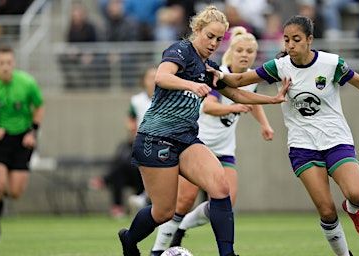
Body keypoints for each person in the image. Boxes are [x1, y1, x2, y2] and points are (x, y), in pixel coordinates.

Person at [214, 15, 359, 256]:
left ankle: (353, 210)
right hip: (302, 146)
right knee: (327, 211)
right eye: (287, 40)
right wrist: (211, 75)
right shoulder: (279, 67)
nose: (290, 45)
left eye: (296, 39)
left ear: (310, 40)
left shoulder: (331, 63)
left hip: (336, 140)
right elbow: (237, 80)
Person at [117, 6, 289, 256]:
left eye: (219, 39)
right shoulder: (180, 50)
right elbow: (162, 77)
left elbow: (236, 92)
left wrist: (273, 100)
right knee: (164, 211)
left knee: (220, 190)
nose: (214, 43)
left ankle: (227, 254)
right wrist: (191, 84)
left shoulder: (209, 66)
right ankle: (130, 240)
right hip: (156, 138)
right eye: (210, 36)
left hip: (186, 139)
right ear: (197, 29)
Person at [149, 26, 274, 255]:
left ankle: (183, 227)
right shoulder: (219, 74)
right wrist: (235, 107)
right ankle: (157, 250)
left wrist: (264, 125)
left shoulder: (249, 78)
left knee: (226, 201)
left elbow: (251, 101)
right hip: (199, 145)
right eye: (240, 50)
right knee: (183, 202)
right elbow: (209, 106)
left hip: (225, 149)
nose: (245, 55)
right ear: (231, 52)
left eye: (249, 51)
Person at [0, 46, 44, 242]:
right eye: (1, 63)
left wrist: (33, 132)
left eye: (8, 63)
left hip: (22, 139)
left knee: (15, 192)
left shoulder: (26, 83)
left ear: (14, 63)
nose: (5, 67)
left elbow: (39, 107)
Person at [89, 67, 157, 218]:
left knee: (122, 162)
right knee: (122, 159)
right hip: (141, 142)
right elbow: (131, 119)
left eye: (156, 77)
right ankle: (125, 202)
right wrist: (131, 128)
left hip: (160, 144)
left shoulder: (166, 98)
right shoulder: (137, 100)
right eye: (150, 77)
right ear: (143, 81)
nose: (153, 80)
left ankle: (106, 180)